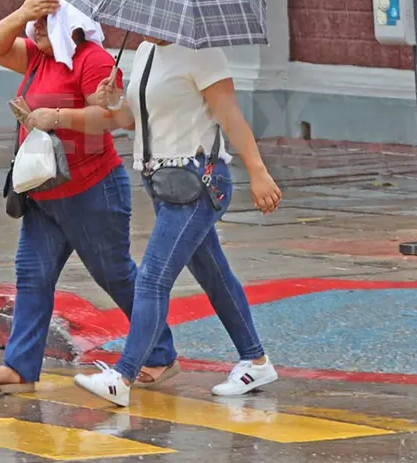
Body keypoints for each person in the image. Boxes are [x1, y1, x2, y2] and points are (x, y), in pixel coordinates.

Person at [0, 0, 180, 394]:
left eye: (46, 19)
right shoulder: (37, 56)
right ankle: (20, 365)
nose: (35, 28)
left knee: (115, 275)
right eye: (35, 20)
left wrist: (58, 116)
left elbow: (113, 119)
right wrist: (21, 11)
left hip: (92, 191)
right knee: (32, 275)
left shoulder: (93, 60)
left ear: (69, 22)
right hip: (44, 191)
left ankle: (160, 353)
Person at [74, 35, 282, 407]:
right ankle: (256, 359)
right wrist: (114, 103)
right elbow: (135, 121)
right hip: (165, 185)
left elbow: (230, 116)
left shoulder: (202, 53)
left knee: (153, 278)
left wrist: (258, 171)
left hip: (200, 183)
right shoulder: (146, 52)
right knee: (214, 275)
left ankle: (123, 376)